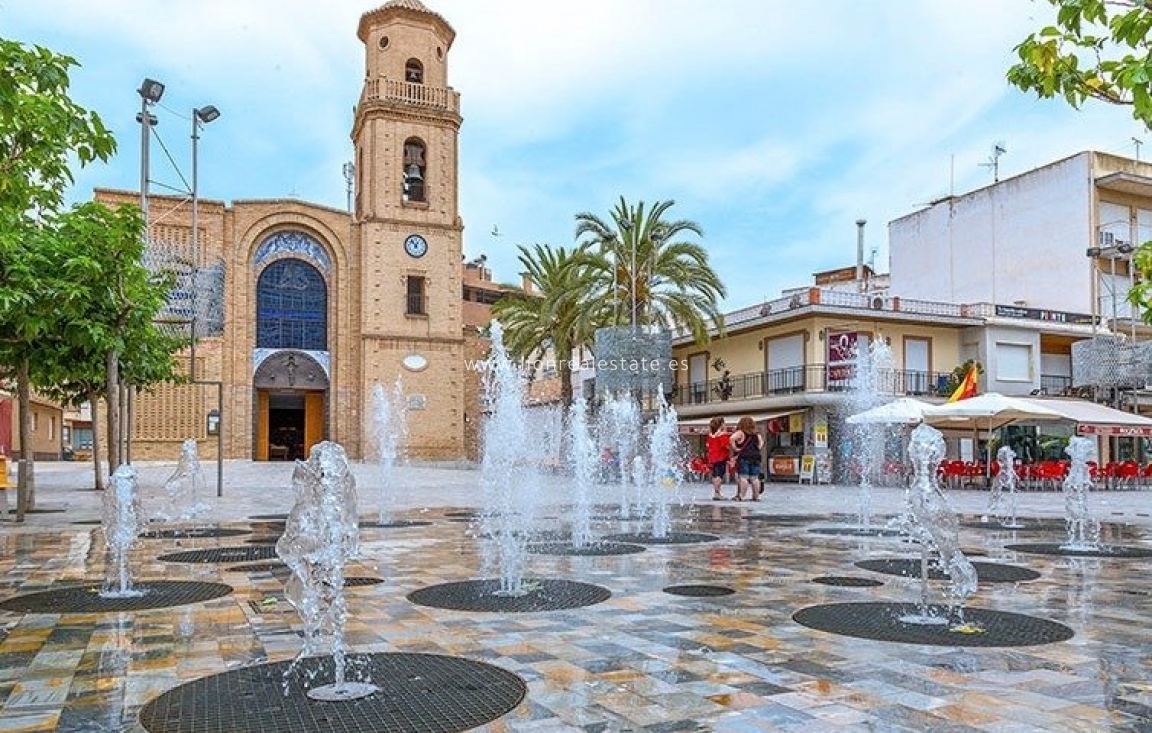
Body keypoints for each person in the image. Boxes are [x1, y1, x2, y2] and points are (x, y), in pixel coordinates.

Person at [730, 416, 763, 501]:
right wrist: (756, 449)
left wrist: (735, 448)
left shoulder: (741, 432)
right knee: (754, 478)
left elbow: (731, 438)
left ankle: (742, 496)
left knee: (743, 477)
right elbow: (761, 443)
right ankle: (756, 497)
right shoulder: (757, 434)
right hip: (756, 457)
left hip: (744, 456)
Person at [705, 416, 731, 500]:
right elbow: (726, 446)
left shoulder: (710, 435)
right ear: (721, 425)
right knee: (719, 476)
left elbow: (708, 445)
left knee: (715, 475)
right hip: (721, 457)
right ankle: (717, 493)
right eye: (724, 423)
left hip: (712, 457)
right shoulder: (722, 435)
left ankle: (716, 492)